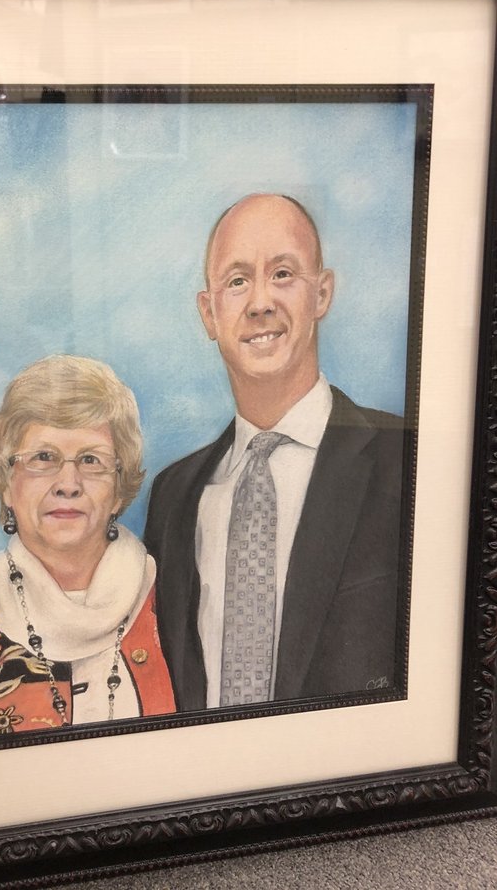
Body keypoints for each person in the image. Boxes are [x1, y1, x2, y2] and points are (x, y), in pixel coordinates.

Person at [144, 193, 406, 712]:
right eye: (237, 281)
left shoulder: (405, 461)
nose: (260, 301)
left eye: (283, 274)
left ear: (322, 293)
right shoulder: (173, 496)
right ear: (209, 313)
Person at [0, 354, 175, 739]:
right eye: (43, 457)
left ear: (119, 489)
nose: (68, 484)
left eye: (91, 460)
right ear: (6, 482)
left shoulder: (177, 602)